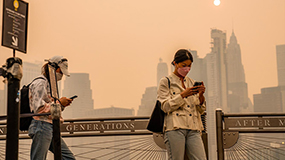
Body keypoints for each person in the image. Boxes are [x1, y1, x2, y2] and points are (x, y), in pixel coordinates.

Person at [157, 49, 207, 160]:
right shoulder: (166, 82)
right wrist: (182, 95)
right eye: (184, 65)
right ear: (175, 63)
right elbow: (165, 106)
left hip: (194, 128)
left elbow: (201, 110)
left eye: (189, 66)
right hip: (175, 128)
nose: (187, 69)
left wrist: (201, 95)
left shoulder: (191, 82)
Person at [28, 56, 76, 160]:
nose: (62, 75)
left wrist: (61, 104)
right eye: (61, 71)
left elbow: (50, 108)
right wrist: (59, 103)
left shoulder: (50, 85)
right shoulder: (41, 82)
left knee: (69, 158)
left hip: (50, 125)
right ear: (54, 68)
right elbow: (38, 108)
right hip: (41, 125)